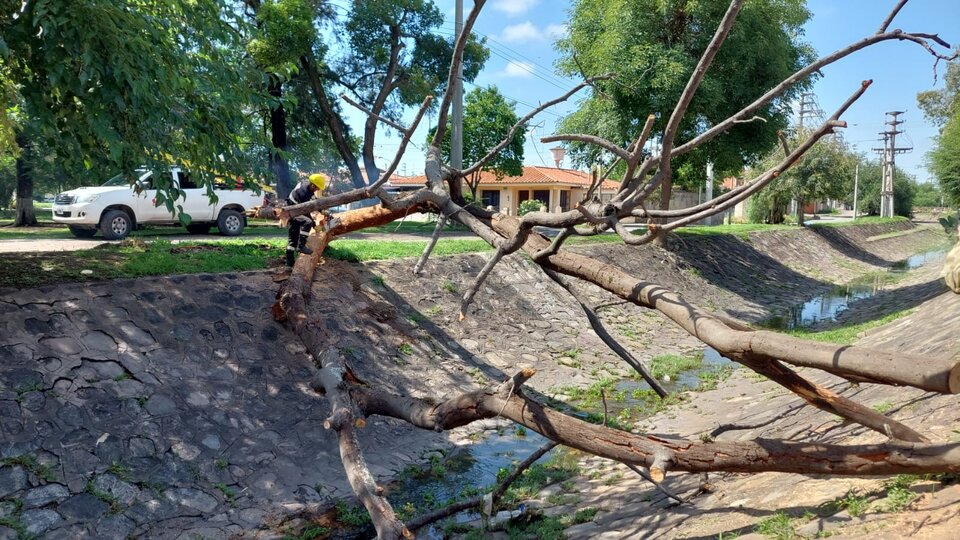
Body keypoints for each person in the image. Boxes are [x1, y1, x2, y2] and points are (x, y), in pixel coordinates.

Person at [285, 173, 325, 267]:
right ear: (312, 185)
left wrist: (322, 210)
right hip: (292, 211)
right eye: (317, 188)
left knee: (292, 240)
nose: (317, 190)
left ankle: (289, 264)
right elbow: (306, 210)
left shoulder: (306, 186)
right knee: (307, 222)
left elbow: (312, 202)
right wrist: (314, 224)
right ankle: (301, 246)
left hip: (296, 210)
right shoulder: (303, 192)